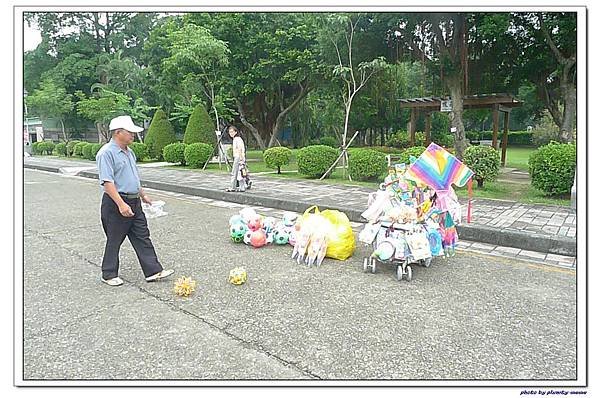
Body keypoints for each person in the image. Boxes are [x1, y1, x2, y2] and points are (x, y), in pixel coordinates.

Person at [96, 115, 174, 286]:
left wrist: (143, 194)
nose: (133, 135)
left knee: (142, 236)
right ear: (118, 132)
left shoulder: (129, 152)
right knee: (115, 238)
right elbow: (107, 183)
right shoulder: (106, 154)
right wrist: (121, 204)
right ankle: (108, 273)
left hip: (134, 200)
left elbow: (132, 177)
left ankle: (153, 271)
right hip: (116, 202)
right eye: (130, 132)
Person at [226, 125, 251, 192]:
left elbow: (239, 149)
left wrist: (241, 159)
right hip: (239, 157)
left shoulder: (237, 139)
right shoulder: (237, 139)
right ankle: (242, 187)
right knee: (240, 173)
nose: (231, 133)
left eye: (232, 132)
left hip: (238, 157)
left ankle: (232, 187)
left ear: (236, 132)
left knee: (234, 173)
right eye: (229, 132)